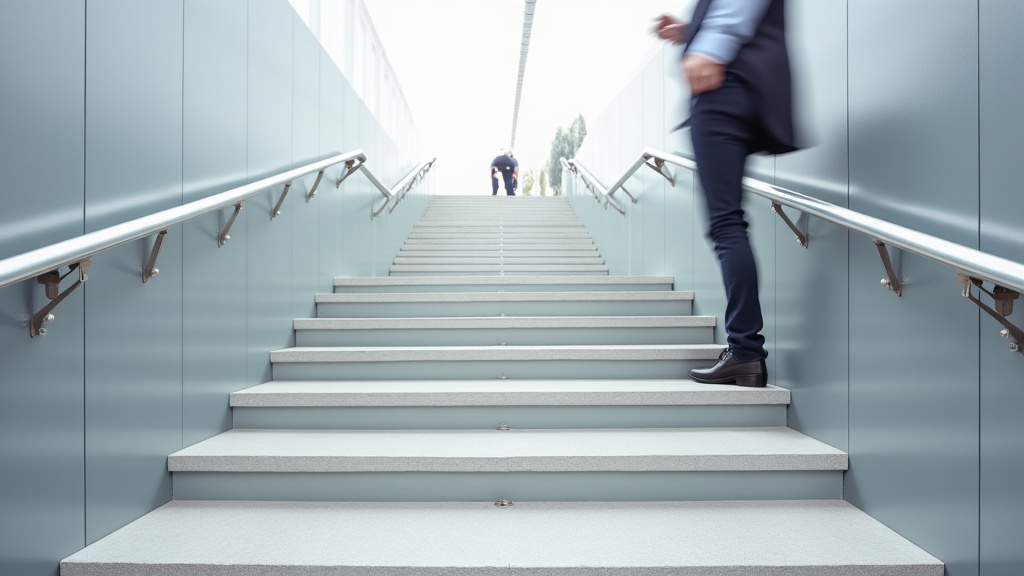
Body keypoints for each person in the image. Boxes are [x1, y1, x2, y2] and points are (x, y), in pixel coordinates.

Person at [654, 0, 799, 387]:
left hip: (722, 90)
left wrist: (708, 47)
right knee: (730, 223)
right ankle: (745, 352)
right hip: (745, 87)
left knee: (726, 224)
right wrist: (691, 33)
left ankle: (746, 352)